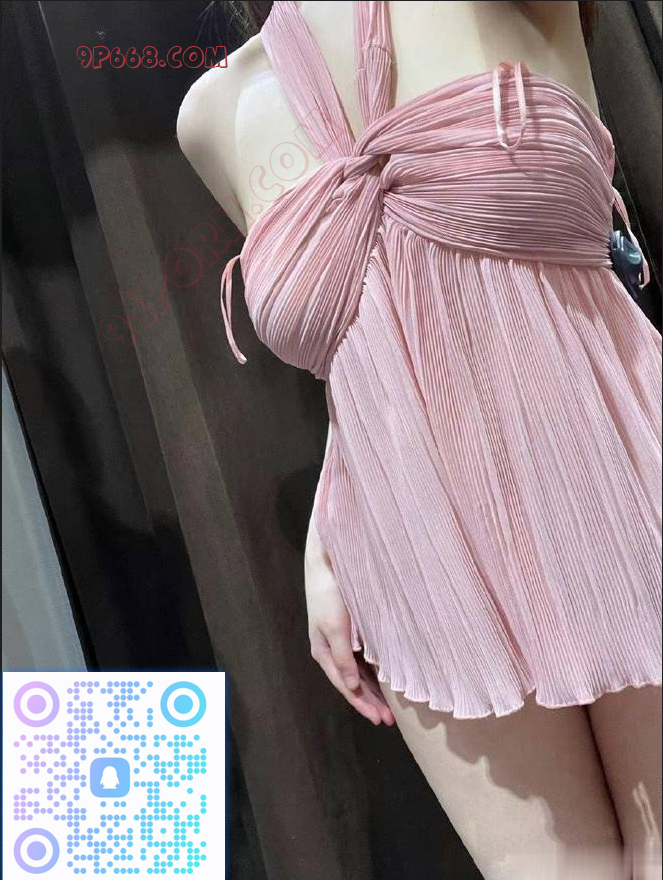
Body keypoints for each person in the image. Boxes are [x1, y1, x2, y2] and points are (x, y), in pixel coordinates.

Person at [177, 2, 662, 877]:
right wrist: (326, 537)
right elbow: (368, 347)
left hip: (617, 480)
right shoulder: (214, 113)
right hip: (422, 560)